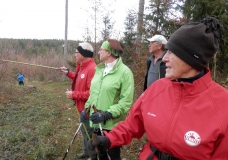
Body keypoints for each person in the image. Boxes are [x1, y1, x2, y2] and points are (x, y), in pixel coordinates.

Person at [87, 17, 228, 160]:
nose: (165, 58)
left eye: (172, 52)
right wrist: (109, 139)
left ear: (192, 59)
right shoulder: (157, 88)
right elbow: (131, 124)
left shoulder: (223, 104)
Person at [80, 39, 134, 160]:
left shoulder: (125, 72)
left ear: (109, 52)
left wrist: (107, 114)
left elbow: (126, 102)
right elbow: (93, 94)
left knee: (112, 156)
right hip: (95, 122)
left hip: (111, 126)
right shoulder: (99, 70)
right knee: (99, 154)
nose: (98, 52)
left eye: (101, 49)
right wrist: (86, 110)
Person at [60, 42, 96, 160]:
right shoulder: (82, 67)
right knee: (84, 132)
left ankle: (92, 156)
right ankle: (86, 153)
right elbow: (79, 79)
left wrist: (74, 94)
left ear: (83, 54)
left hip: (88, 110)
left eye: (77, 52)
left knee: (89, 134)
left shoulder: (92, 69)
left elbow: (92, 94)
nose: (75, 54)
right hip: (81, 108)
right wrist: (68, 73)